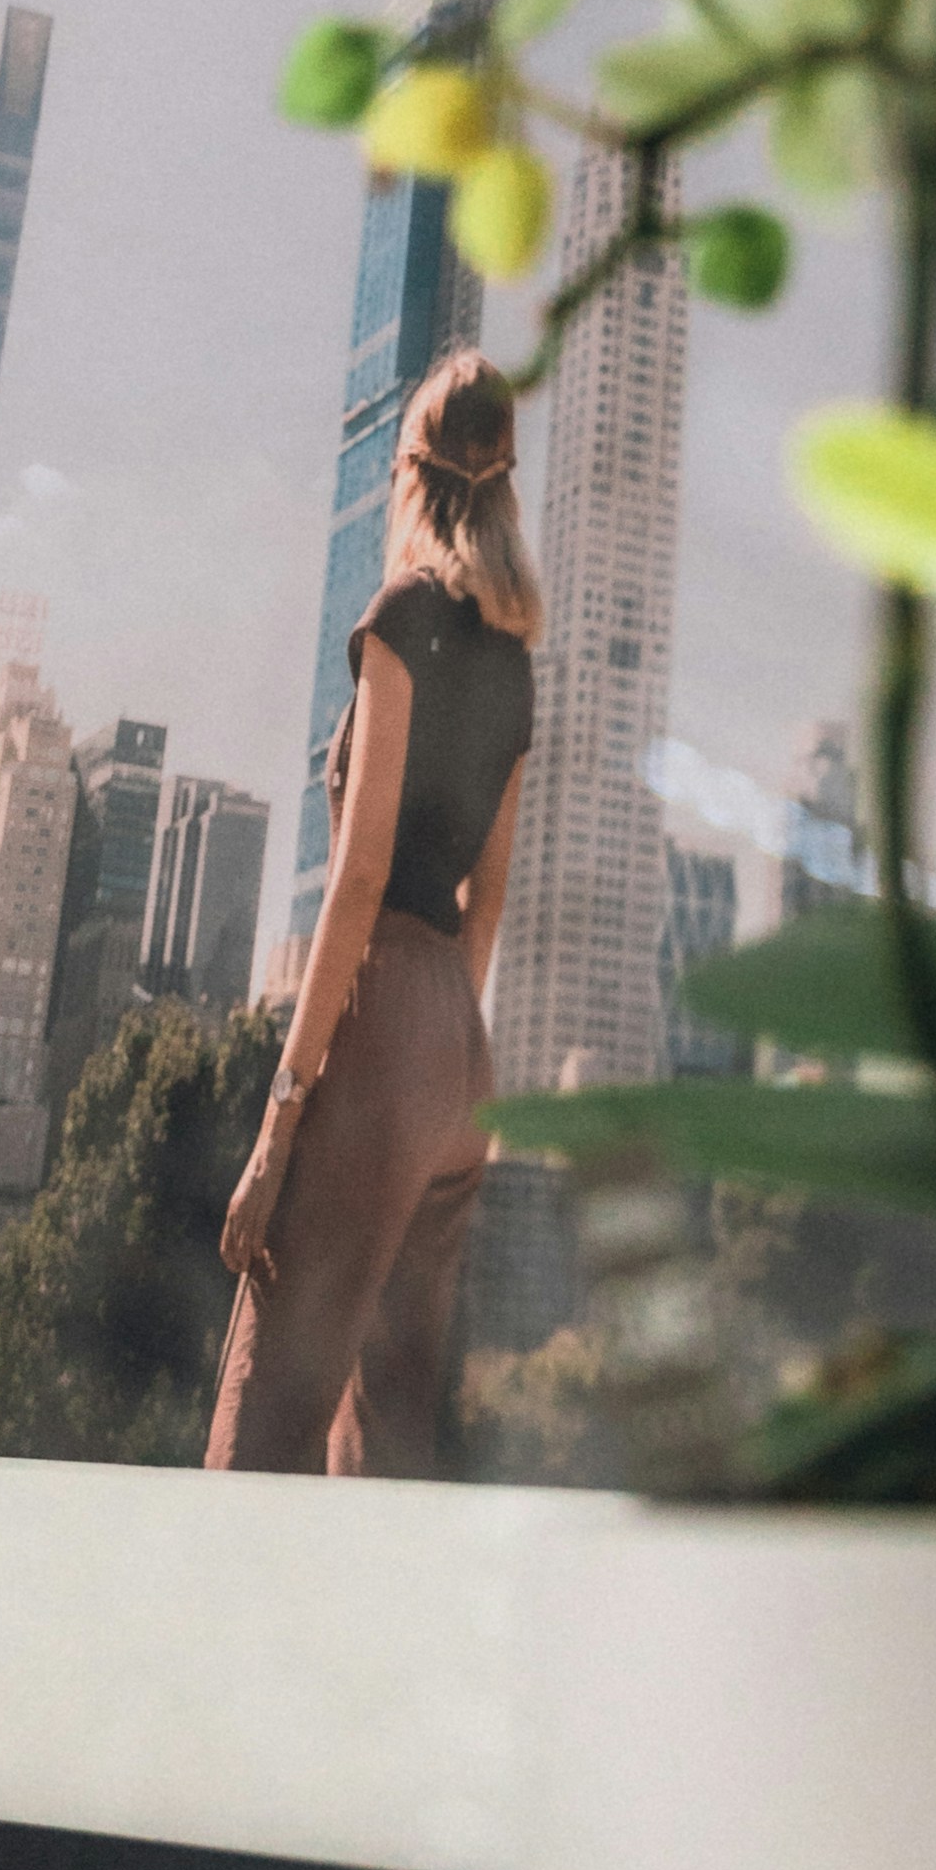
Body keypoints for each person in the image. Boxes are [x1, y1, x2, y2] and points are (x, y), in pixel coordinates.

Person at [203, 347, 537, 1477]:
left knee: (266, 1423)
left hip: (385, 1010)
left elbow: (355, 878)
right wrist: (449, 1047)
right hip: (460, 1049)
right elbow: (485, 900)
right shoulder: (514, 665)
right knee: (387, 1434)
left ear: (410, 475)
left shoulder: (401, 617)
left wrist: (277, 1123)